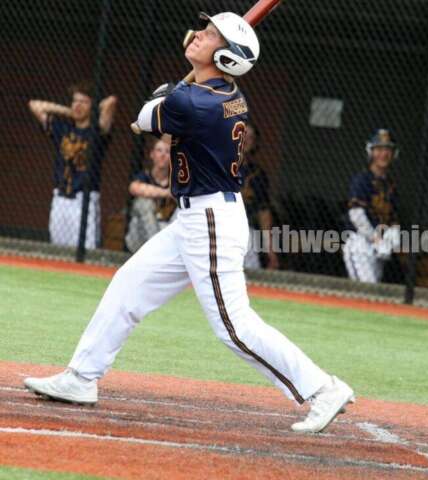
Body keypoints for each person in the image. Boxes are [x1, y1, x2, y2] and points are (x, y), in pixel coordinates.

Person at [23, 11, 354, 434]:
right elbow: (163, 110)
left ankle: (322, 389)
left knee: (233, 325)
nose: (199, 33)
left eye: (211, 34)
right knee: (129, 284)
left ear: (228, 58)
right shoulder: (219, 93)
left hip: (210, 220)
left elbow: (142, 120)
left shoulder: (195, 101)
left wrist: (165, 97)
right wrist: (170, 95)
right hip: (196, 217)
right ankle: (82, 378)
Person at [28, 81, 118, 249]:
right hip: (60, 196)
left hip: (84, 199)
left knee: (87, 249)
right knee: (58, 249)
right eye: (75, 101)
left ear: (92, 105)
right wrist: (68, 111)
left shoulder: (96, 131)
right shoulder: (62, 129)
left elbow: (111, 101)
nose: (78, 105)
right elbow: (35, 105)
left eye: (83, 102)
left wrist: (91, 110)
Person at [342, 129, 400, 283]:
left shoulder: (390, 184)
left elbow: (393, 216)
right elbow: (356, 215)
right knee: (367, 289)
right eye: (379, 149)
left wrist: (393, 234)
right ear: (371, 152)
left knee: (374, 291)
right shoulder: (362, 179)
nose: (384, 154)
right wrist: (376, 239)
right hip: (360, 242)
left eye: (388, 149)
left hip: (379, 246)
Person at [124, 136, 176, 253]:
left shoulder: (177, 181)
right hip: (140, 236)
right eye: (159, 150)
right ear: (152, 154)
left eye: (167, 151)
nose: (163, 155)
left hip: (166, 232)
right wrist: (167, 193)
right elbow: (133, 187)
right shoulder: (144, 176)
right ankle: (157, 251)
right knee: (143, 203)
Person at [240, 123, 279, 270]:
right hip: (216, 226)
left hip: (244, 230)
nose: (246, 140)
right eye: (243, 135)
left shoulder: (258, 174)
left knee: (252, 270)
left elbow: (264, 212)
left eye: (251, 137)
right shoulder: (219, 166)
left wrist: (270, 249)